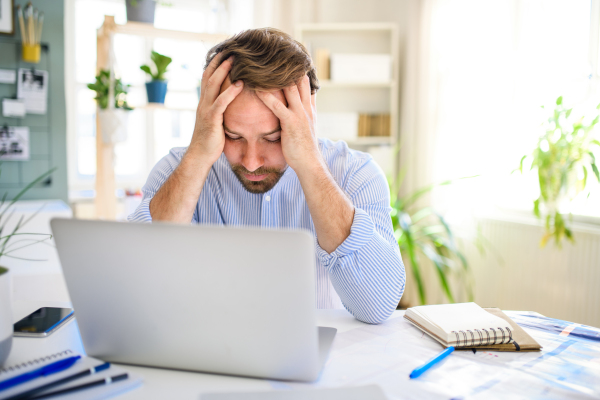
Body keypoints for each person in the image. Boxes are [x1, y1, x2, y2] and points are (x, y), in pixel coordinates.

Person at [129, 28, 405, 324]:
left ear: (307, 114)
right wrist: (197, 155)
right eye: (233, 136)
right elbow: (134, 290)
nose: (250, 162)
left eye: (272, 138)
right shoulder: (176, 171)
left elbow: (378, 305)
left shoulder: (355, 174)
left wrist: (310, 164)